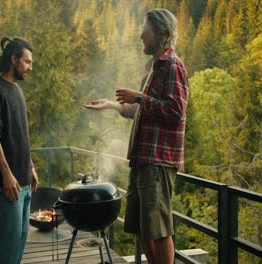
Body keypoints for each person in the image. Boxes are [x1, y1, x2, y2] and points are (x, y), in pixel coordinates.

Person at [85, 9, 189, 264]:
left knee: (159, 229)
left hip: (158, 161)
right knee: (140, 227)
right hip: (142, 160)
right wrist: (112, 104)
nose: (141, 35)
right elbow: (142, 109)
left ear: (160, 33)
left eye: (146, 30)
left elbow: (176, 110)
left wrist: (140, 97)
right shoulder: (153, 67)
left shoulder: (173, 66)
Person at [0, 37, 39, 264]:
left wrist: (30, 166)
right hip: (8, 184)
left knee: (19, 241)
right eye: (27, 61)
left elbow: (21, 135)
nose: (30, 67)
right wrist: (6, 175)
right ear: (13, 59)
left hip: (23, 181)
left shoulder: (17, 91)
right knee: (7, 246)